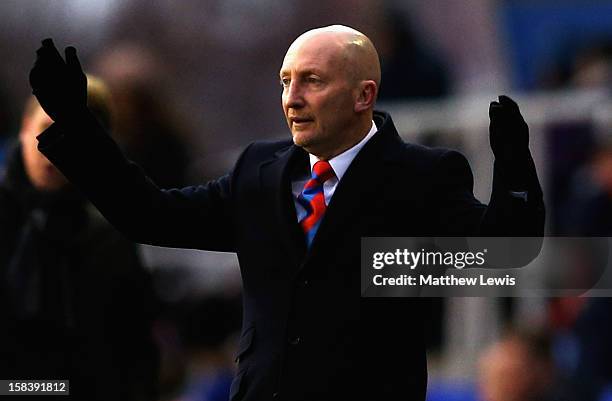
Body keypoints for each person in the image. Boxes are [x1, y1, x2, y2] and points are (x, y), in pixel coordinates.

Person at [28, 25, 544, 401]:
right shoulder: (258, 170)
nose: (291, 99)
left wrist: (516, 169)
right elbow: (151, 216)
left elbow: (504, 253)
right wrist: (79, 125)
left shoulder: (422, 175)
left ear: (364, 95)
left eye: (311, 81)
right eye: (285, 81)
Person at [0, 77, 159, 401]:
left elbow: (134, 351)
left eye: (68, 135)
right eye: (44, 127)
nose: (50, 146)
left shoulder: (110, 237)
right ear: (24, 127)